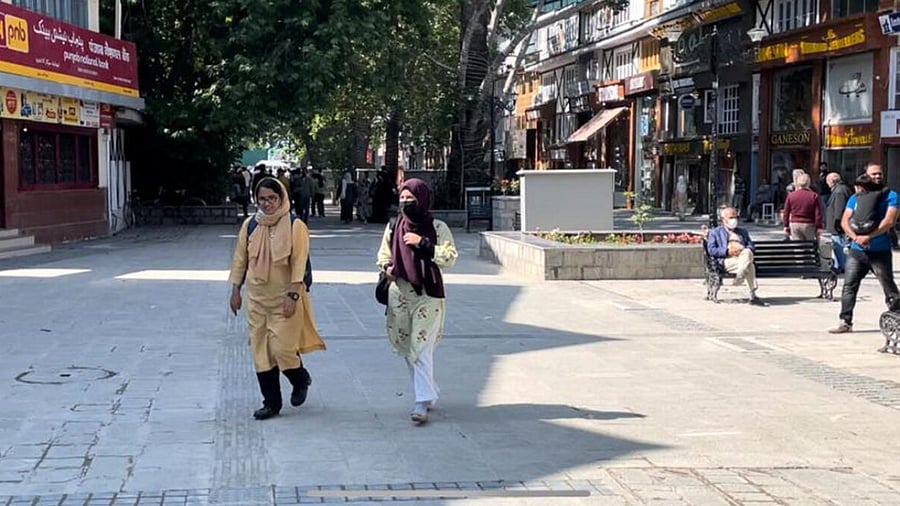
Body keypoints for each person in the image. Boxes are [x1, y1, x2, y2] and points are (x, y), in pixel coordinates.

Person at [229, 178, 326, 419]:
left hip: (285, 299)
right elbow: (240, 259)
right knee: (261, 352)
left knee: (282, 349)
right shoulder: (250, 225)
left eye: (272, 198)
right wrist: (235, 290)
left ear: (281, 198)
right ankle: (271, 403)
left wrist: (293, 294)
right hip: (256, 299)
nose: (267, 203)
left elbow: (299, 262)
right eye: (262, 199)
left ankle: (300, 379)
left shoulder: (295, 226)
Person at [376, 179, 458, 425]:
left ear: (422, 199)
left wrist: (423, 244)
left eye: (410, 198)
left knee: (420, 348)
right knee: (406, 347)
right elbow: (383, 254)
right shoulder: (394, 225)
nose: (405, 202)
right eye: (402, 198)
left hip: (428, 294)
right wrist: (387, 268)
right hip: (399, 294)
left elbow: (450, 257)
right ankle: (429, 391)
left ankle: (421, 402)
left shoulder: (437, 227)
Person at [829, 163, 900, 333]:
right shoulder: (856, 197)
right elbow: (845, 220)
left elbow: (889, 221)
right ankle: (845, 321)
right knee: (849, 286)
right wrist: (856, 238)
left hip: (880, 251)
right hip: (857, 251)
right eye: (873, 174)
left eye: (879, 174)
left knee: (889, 287)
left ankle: (897, 318)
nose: (877, 176)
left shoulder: (891, 195)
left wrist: (869, 236)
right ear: (866, 176)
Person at [706, 207, 766, 306]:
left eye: (735, 217)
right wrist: (727, 252)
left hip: (742, 258)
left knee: (747, 253)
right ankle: (753, 295)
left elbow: (751, 246)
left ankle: (740, 274)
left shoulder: (742, 232)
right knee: (750, 265)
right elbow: (712, 250)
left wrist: (743, 249)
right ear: (723, 219)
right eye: (731, 217)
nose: (734, 220)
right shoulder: (715, 232)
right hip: (727, 260)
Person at [781, 173, 823, 240]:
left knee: (798, 245)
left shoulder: (791, 196)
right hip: (809, 224)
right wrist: (819, 227)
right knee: (809, 244)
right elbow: (818, 213)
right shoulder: (814, 196)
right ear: (809, 183)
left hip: (795, 223)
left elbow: (786, 212)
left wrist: (786, 225)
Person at [824, 172, 852, 273]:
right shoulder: (841, 189)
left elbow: (839, 209)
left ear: (832, 181)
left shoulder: (839, 191)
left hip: (837, 225)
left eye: (827, 181)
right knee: (839, 245)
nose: (827, 184)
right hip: (837, 224)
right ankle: (841, 264)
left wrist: (838, 223)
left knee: (839, 245)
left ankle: (843, 266)